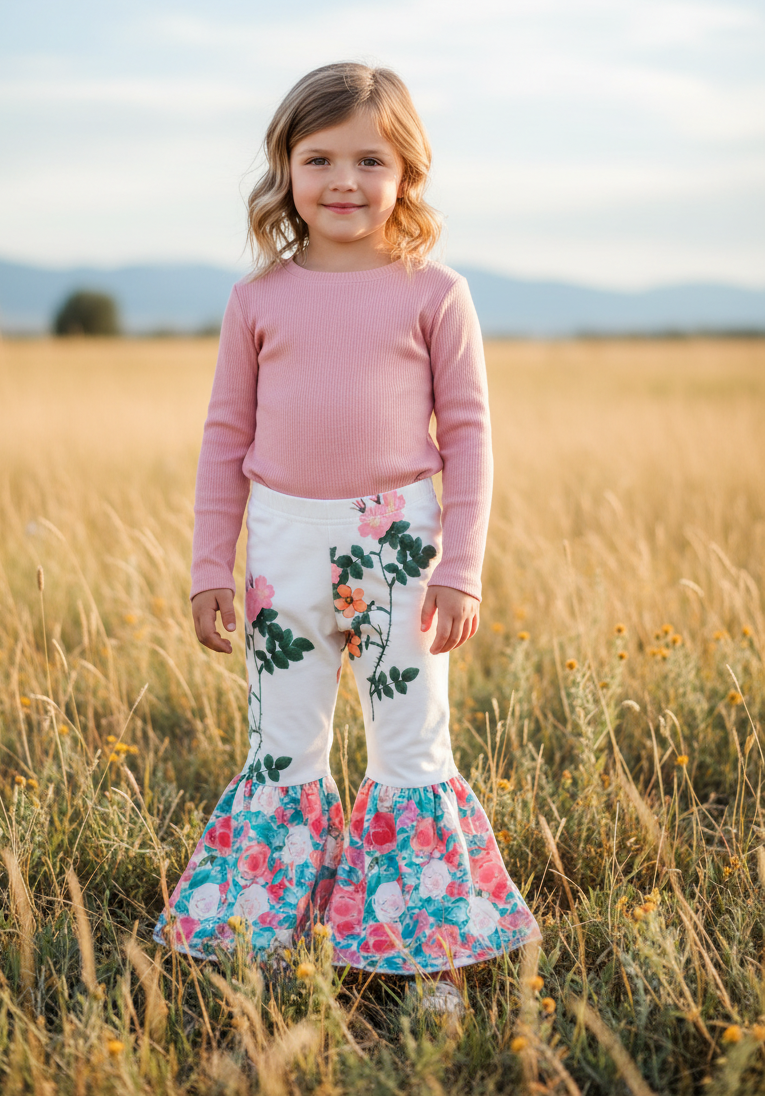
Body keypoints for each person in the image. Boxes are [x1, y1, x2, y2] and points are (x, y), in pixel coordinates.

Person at [153, 63, 540, 1009]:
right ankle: (268, 944)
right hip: (281, 551)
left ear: (406, 172)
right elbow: (224, 440)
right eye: (319, 158)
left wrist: (461, 567)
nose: (343, 180)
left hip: (399, 545)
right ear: (285, 168)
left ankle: (427, 957)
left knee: (410, 749)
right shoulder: (257, 301)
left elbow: (470, 437)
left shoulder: (435, 293)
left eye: (371, 160)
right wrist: (210, 566)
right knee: (282, 753)